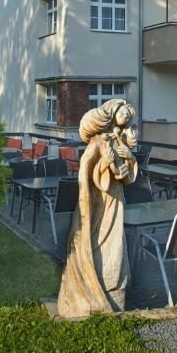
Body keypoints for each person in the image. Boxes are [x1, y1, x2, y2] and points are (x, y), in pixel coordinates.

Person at [56, 99, 138, 318]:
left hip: (115, 200)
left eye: (129, 115)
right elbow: (92, 176)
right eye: (124, 112)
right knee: (97, 238)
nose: (127, 116)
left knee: (115, 242)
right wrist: (105, 163)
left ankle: (113, 286)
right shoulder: (98, 141)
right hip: (98, 202)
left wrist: (126, 157)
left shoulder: (119, 139)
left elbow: (126, 176)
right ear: (113, 111)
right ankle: (96, 283)